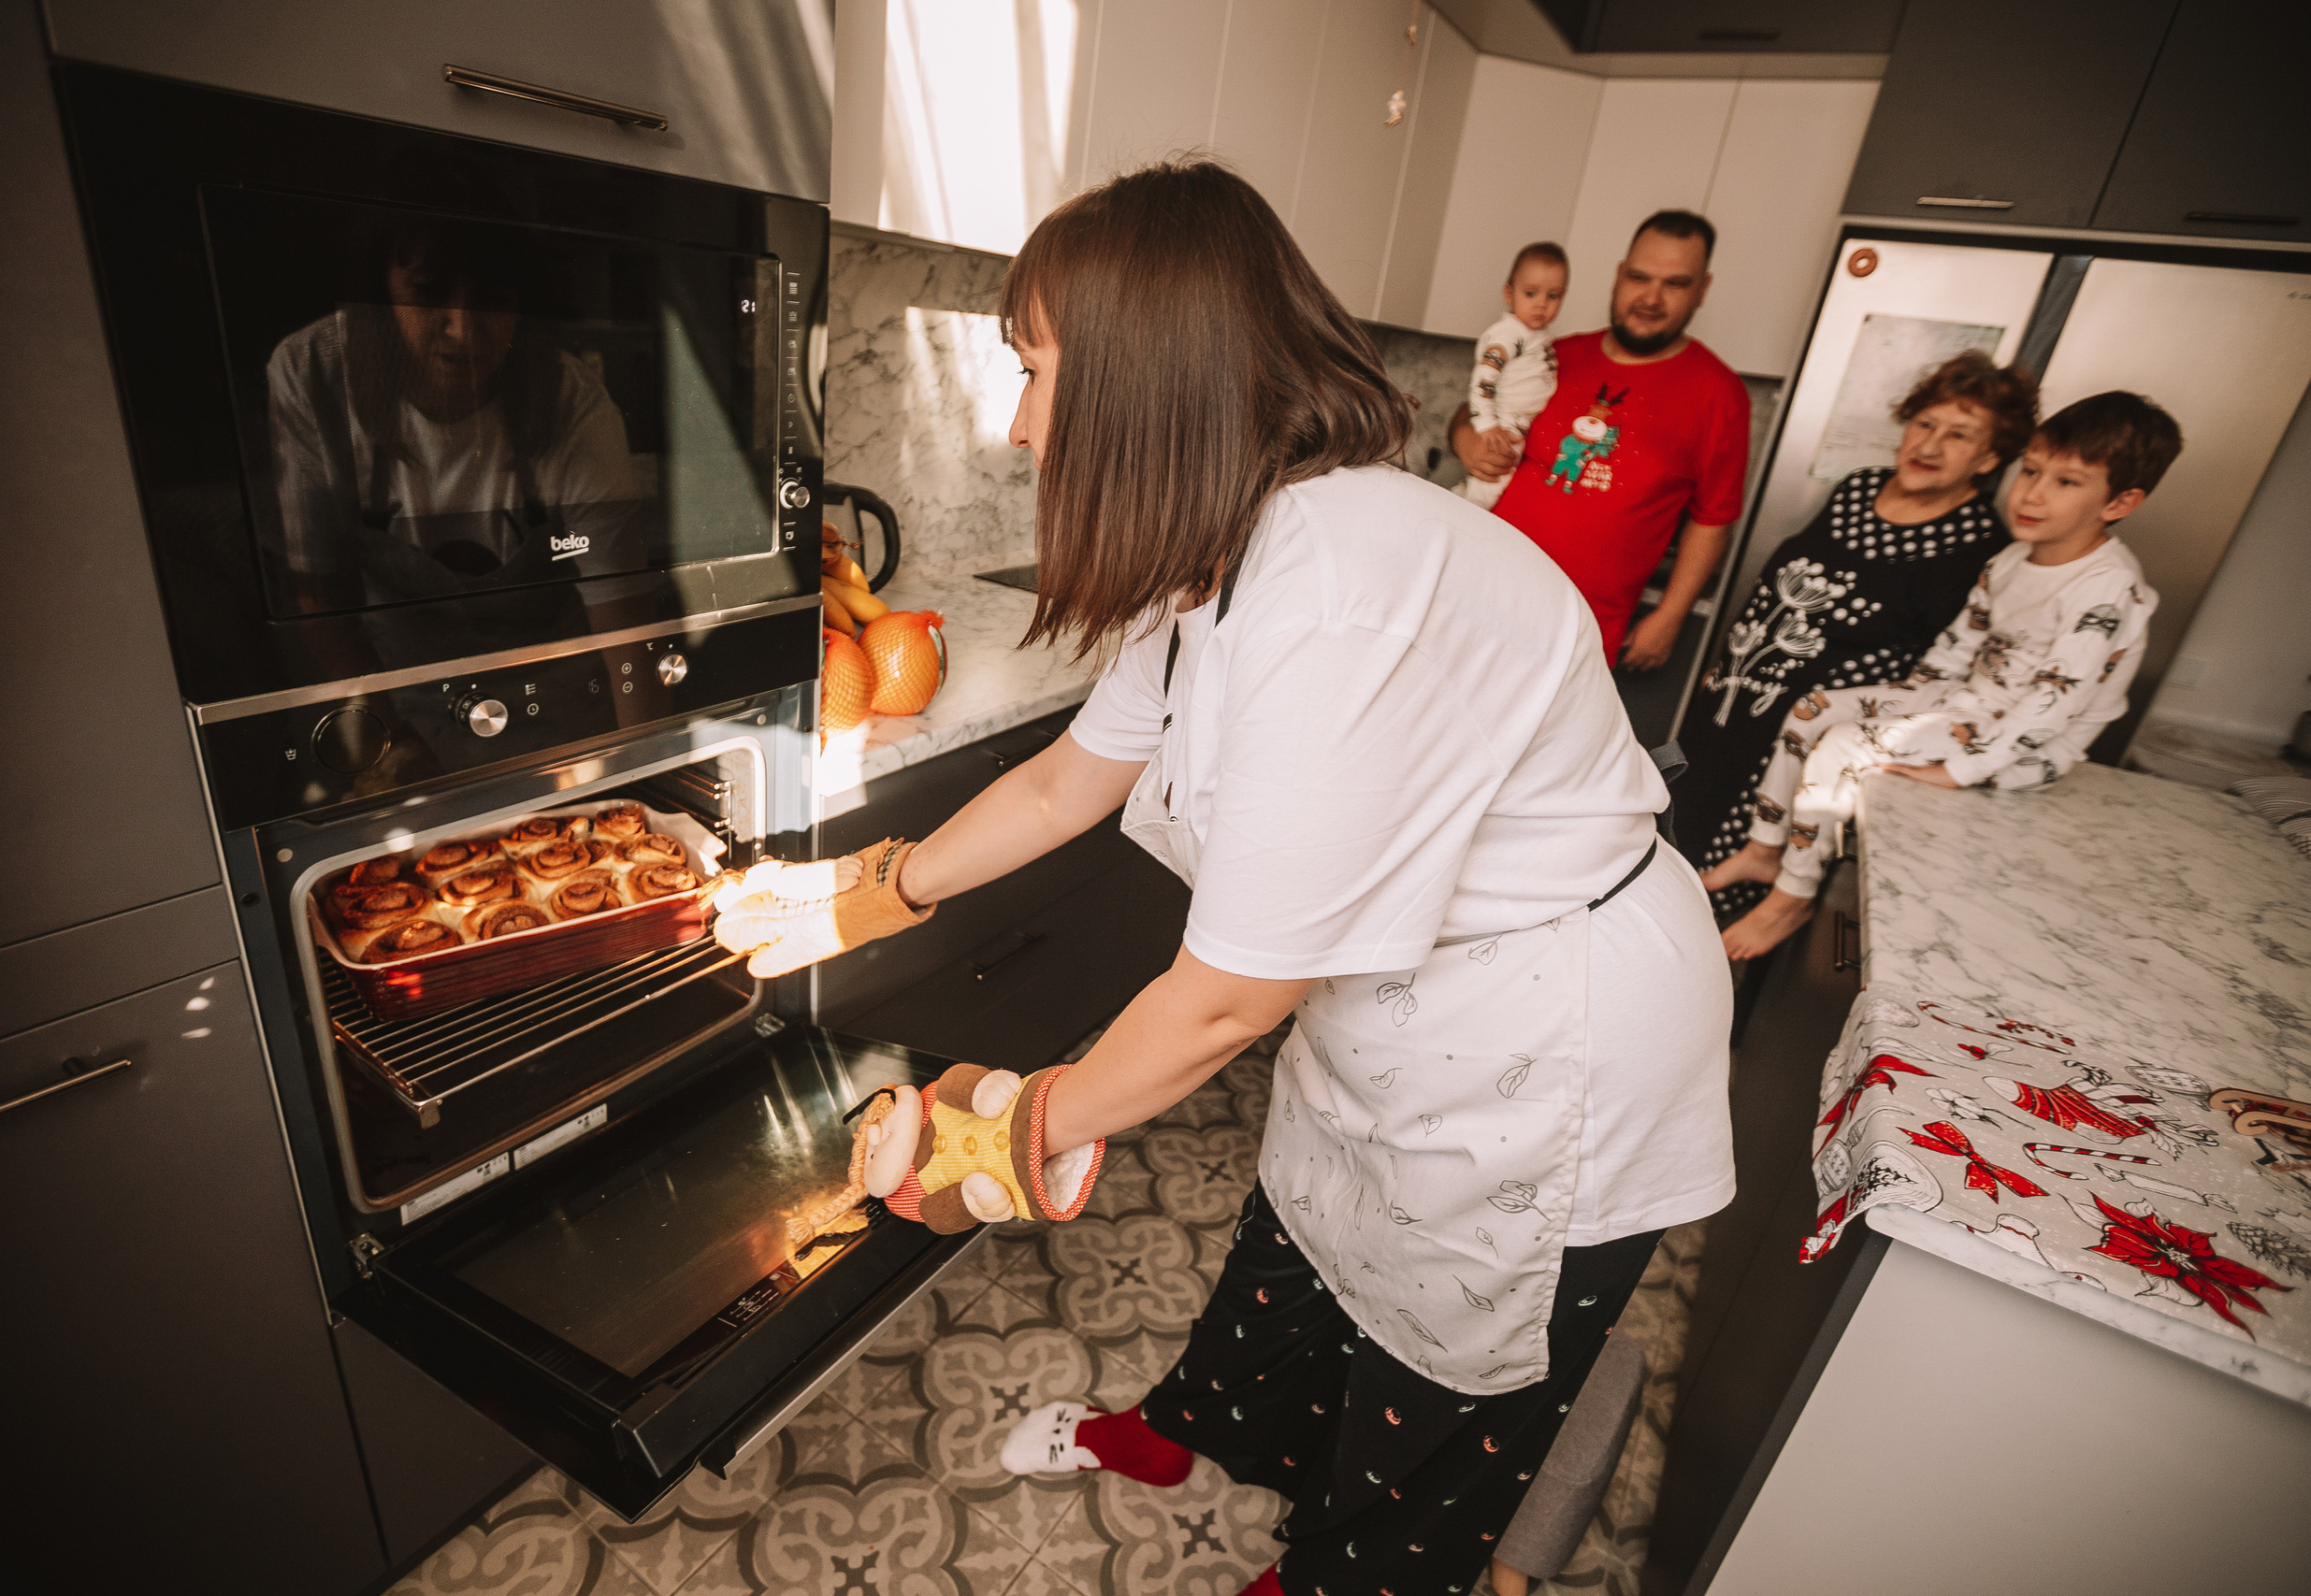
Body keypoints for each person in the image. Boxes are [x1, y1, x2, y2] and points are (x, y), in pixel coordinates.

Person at [714, 161, 1733, 1596]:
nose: (1017, 423)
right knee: (1302, 1240)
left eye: (1034, 370)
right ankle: (1202, 1436)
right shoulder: (1229, 548)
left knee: (1441, 1400)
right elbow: (1072, 777)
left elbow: (1225, 998)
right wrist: (859, 890)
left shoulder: (1338, 591)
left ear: (1146, 378)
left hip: (1546, 1032)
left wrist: (999, 1143)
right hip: (1408, 1002)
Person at [1703, 391, 2180, 959]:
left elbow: (2054, 704)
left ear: (2120, 502)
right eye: (2031, 471)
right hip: (1968, 701)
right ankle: (1763, 847)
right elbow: (1959, 647)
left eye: (2066, 482)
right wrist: (1898, 701)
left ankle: (1792, 895)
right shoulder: (2011, 560)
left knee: (1841, 749)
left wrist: (1960, 768)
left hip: (2032, 745)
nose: (2032, 493)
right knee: (1814, 708)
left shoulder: (2104, 587)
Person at [1675, 352, 2035, 923]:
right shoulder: (1856, 489)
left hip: (1799, 742)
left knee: (1710, 905)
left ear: (1990, 458)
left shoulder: (1979, 544)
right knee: (1665, 849)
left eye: (1959, 435)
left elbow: (1943, 670)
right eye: (1925, 424)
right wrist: (1723, 667)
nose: (1931, 445)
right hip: (1730, 708)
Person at [264, 208, 641, 614]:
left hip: (553, 658)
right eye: (429, 291)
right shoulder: (313, 373)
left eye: (491, 301)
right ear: (379, 295)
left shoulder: (571, 401)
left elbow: (620, 608)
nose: (463, 330)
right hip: (390, 667)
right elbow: (321, 594)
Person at [1450, 211, 1749, 671]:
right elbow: (1473, 410)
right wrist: (1466, 441)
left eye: (1676, 283)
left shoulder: (1719, 394)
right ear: (1617, 276)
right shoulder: (1557, 353)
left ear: (1702, 290)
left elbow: (1714, 518)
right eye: (1639, 277)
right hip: (1475, 591)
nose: (1650, 298)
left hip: (1577, 635)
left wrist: (1669, 616)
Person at [1460, 242, 1568, 509]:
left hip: (1521, 426)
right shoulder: (1508, 334)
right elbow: (1483, 382)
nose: (1542, 304)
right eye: (1531, 293)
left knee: (1501, 489)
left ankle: (1462, 498)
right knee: (1486, 491)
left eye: (1553, 296)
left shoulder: (1538, 336)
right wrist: (1487, 425)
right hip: (1503, 424)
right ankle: (1464, 514)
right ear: (1509, 294)